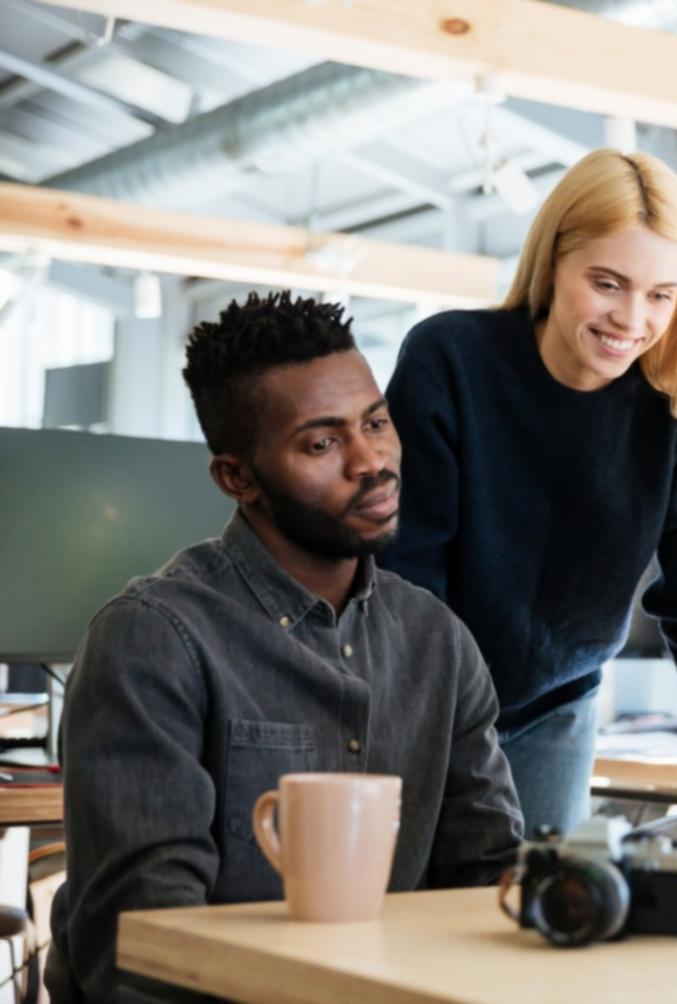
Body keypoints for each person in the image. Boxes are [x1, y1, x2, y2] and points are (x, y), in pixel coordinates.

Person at [47, 292, 523, 1001]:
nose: (371, 461)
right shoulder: (153, 639)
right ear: (237, 478)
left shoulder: (437, 642)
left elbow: (488, 882)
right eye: (322, 443)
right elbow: (140, 946)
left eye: (376, 423)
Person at [380, 149, 677, 838]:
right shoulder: (450, 358)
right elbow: (407, 580)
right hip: (419, 693)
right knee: (411, 917)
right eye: (607, 283)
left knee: (532, 926)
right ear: (553, 261)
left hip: (555, 706)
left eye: (661, 294)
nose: (631, 319)